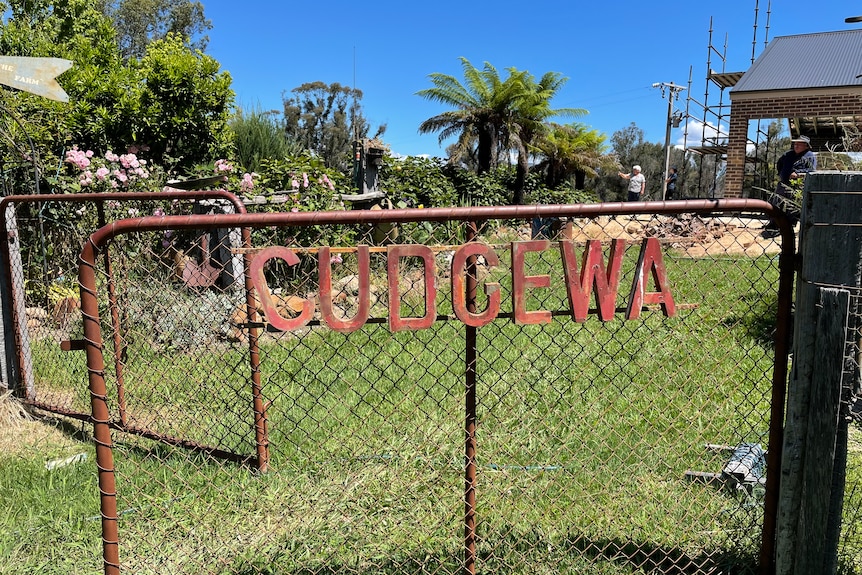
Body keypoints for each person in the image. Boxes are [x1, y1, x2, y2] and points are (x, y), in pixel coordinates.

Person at [762, 135, 817, 238]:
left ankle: (788, 226)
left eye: (799, 144)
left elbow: (811, 171)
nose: (796, 146)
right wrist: (781, 173)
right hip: (783, 184)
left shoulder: (810, 156)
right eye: (795, 143)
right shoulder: (788, 154)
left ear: (806, 146)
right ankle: (774, 224)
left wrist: (798, 174)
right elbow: (779, 164)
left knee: (791, 208)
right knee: (777, 203)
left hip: (796, 187)